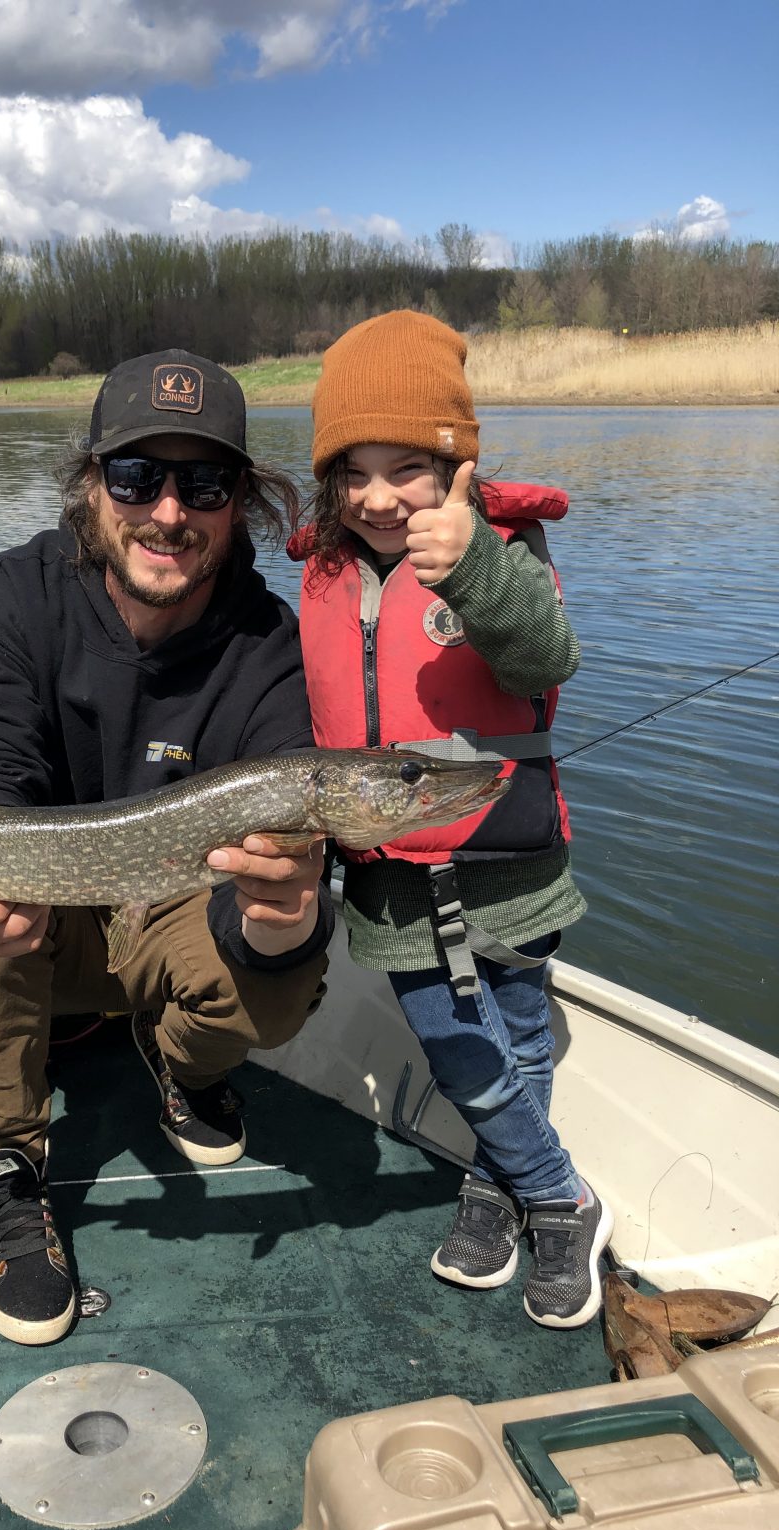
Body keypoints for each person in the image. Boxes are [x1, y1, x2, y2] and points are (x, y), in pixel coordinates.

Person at [0, 349, 334, 1345]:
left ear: (243, 500)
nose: (167, 512)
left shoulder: (268, 645)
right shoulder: (4, 593)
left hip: (168, 916)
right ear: (90, 484)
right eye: (136, 476)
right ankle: (6, 1176)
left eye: (204, 483)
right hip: (42, 925)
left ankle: (185, 1069)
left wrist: (285, 916)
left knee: (288, 955)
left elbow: (278, 848)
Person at [290, 310, 612, 1329]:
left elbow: (544, 658)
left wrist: (473, 565)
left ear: (459, 462)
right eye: (354, 470)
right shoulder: (326, 568)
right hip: (389, 863)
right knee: (470, 1043)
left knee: (500, 1037)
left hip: (505, 855)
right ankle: (506, 1181)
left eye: (408, 468)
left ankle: (554, 1199)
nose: (379, 496)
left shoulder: (502, 551)